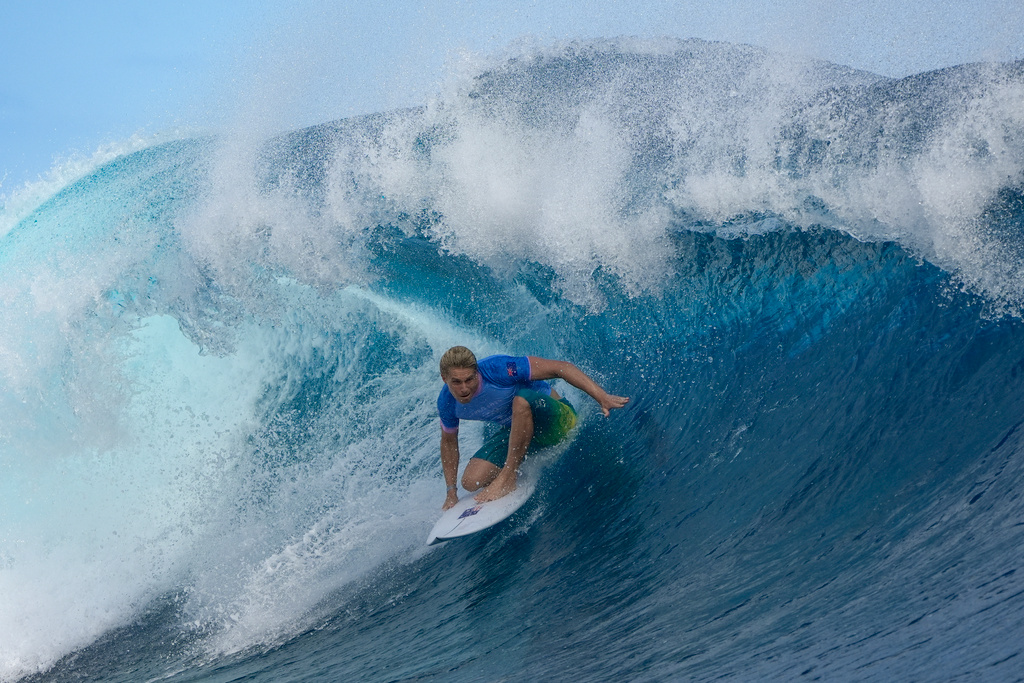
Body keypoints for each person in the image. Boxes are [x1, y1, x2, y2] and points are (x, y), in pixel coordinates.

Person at [437, 346, 629, 510]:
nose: (464, 388)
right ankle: (517, 461)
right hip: (522, 432)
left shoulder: (498, 369)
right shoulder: (446, 403)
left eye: (469, 379)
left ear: (477, 372)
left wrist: (602, 397)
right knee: (471, 482)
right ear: (444, 378)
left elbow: (561, 367)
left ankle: (508, 476)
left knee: (520, 402)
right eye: (456, 382)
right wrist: (451, 491)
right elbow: (448, 442)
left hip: (558, 420)